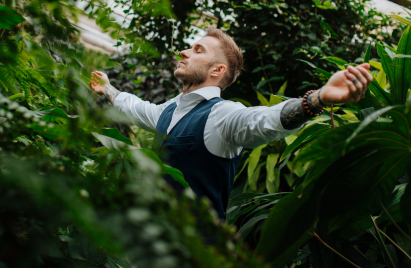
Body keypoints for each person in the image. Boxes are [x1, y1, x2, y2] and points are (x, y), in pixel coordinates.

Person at [89, 26, 372, 221]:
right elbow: (137, 108)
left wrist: (318, 99)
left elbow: (265, 120)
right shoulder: (170, 110)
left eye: (197, 50)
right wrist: (109, 90)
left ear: (217, 70)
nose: (185, 52)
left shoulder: (223, 115)